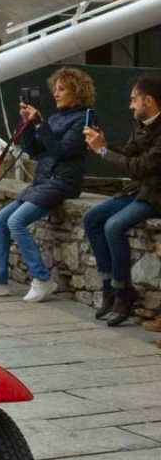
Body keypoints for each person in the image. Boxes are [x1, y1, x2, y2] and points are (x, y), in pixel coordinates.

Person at [0, 67, 94, 303]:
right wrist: (28, 124)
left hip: (62, 182)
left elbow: (61, 152)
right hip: (43, 182)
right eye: (55, 90)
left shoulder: (85, 117)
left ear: (77, 92)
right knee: (0, 219)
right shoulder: (57, 117)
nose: (56, 94)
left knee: (15, 222)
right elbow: (34, 150)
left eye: (61, 89)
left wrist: (40, 124)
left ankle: (42, 279)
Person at [82, 74, 161, 327]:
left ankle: (124, 292)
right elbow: (128, 154)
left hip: (155, 195)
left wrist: (102, 152)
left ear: (148, 100)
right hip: (138, 190)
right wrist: (104, 144)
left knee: (113, 226)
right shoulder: (142, 123)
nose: (130, 106)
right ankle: (109, 289)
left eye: (133, 100)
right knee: (91, 218)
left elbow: (139, 167)